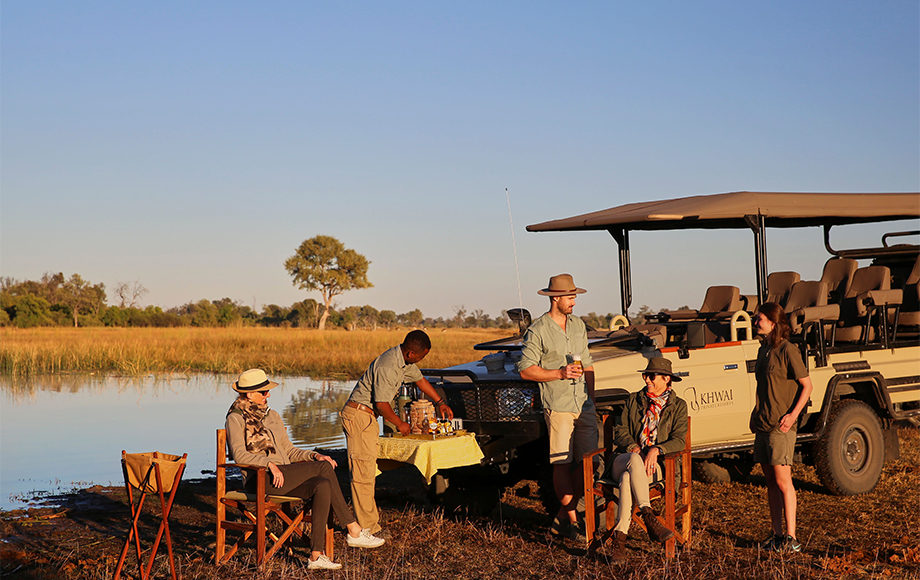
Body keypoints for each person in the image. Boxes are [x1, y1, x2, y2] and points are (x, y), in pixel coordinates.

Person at [225, 368, 385, 571]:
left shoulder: (272, 415)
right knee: (324, 468)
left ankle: (316, 555)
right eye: (264, 392)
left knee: (322, 484)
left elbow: (289, 450)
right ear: (249, 394)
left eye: (267, 391)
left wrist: (314, 455)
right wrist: (269, 464)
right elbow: (239, 455)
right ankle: (353, 529)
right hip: (259, 479)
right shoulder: (235, 418)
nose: (268, 395)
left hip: (284, 476)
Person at [341, 330, 454, 535]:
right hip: (358, 416)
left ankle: (367, 524)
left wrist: (440, 403)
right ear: (410, 353)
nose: (420, 361)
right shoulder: (388, 366)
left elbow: (420, 380)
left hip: (367, 418)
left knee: (372, 467)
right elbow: (381, 404)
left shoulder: (404, 362)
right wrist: (400, 424)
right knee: (362, 475)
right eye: (421, 357)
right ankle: (367, 529)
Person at [517, 273, 598, 541]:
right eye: (570, 297)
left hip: (583, 403)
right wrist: (560, 374)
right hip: (559, 405)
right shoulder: (538, 330)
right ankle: (574, 521)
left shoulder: (578, 325)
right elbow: (526, 371)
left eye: (575, 296)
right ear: (555, 298)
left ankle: (562, 518)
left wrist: (592, 400)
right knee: (562, 463)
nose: (574, 302)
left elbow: (587, 364)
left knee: (589, 464)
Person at [605, 357, 687, 560]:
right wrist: (634, 447)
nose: (647, 380)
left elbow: (679, 441)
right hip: (625, 458)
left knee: (626, 479)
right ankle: (648, 515)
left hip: (653, 465)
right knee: (633, 461)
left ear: (667, 379)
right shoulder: (633, 399)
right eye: (645, 375)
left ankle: (619, 542)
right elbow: (621, 431)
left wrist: (656, 449)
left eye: (651, 376)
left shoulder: (678, 406)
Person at [750, 302, 813, 553]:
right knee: (770, 482)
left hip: (781, 426)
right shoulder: (763, 349)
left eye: (760, 319)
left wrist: (792, 415)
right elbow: (762, 387)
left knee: (783, 481)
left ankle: (791, 537)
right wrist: (755, 413)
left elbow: (807, 386)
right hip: (763, 423)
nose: (756, 323)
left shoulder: (788, 350)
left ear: (773, 323)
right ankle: (776, 535)